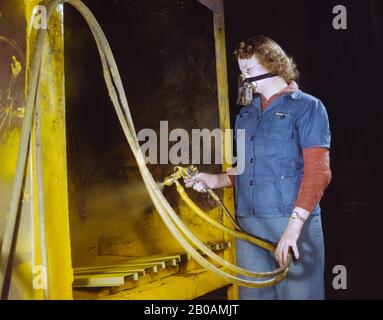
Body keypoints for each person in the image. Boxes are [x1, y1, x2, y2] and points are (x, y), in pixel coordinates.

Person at [185, 35, 332, 300]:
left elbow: (318, 174)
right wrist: (214, 180)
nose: (244, 78)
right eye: (241, 72)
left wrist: (293, 230)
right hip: (249, 227)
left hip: (290, 224)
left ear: (274, 66)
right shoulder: (246, 115)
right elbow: (245, 169)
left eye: (250, 71)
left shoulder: (307, 107)